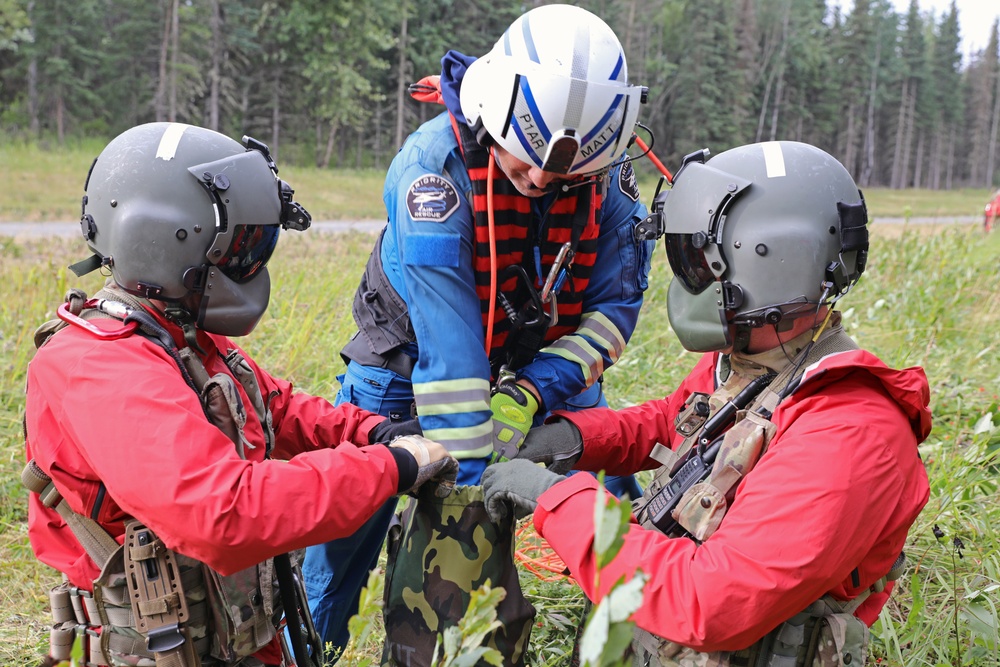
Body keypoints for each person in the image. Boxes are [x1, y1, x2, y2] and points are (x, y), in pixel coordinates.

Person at [22, 122, 458, 667]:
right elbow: (225, 513)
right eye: (243, 247)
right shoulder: (100, 368)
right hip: (157, 652)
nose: (252, 264)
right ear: (167, 241)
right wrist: (389, 466)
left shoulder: (174, 334)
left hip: (223, 638)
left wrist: (373, 431)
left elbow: (269, 405)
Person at [481, 140, 932, 666]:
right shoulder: (761, 359)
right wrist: (574, 440)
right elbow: (679, 423)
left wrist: (559, 501)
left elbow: (710, 600)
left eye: (699, 261)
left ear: (769, 263)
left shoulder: (849, 432)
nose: (687, 281)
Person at [303, 3, 657, 658]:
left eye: (562, 176)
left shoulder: (611, 186)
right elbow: (449, 348)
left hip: (538, 352)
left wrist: (533, 392)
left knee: (606, 462)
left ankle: (628, 618)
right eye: (527, 164)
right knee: (350, 519)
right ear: (495, 112)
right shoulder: (432, 175)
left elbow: (615, 310)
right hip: (409, 353)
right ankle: (311, 641)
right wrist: (463, 486)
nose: (543, 181)